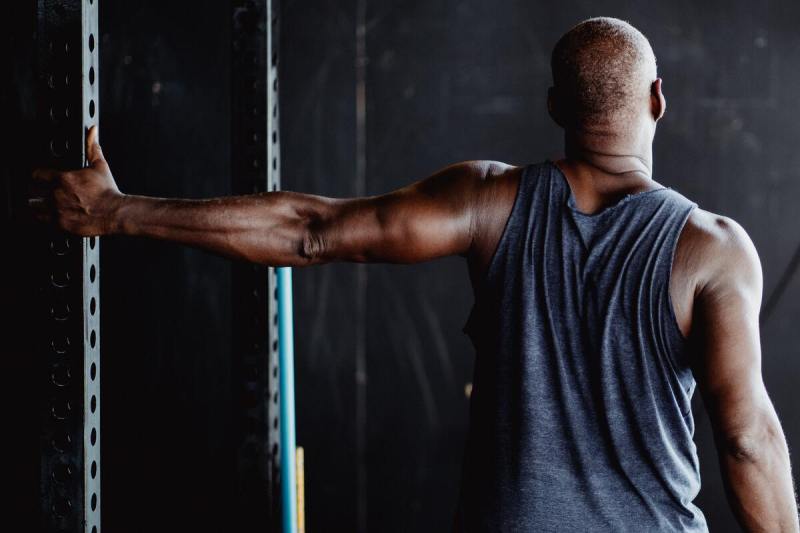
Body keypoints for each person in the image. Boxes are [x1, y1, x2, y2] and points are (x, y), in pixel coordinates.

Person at [30, 16, 798, 533]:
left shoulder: (488, 204)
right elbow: (746, 438)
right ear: (658, 101)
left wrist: (120, 212)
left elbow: (311, 231)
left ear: (554, 105)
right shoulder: (712, 249)